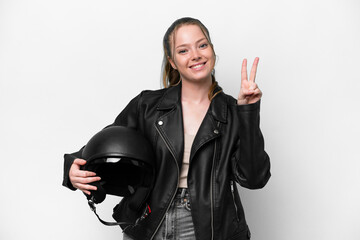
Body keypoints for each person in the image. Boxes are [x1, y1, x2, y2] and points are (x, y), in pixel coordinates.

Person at [62, 17, 271, 240]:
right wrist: (73, 168)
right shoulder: (147, 106)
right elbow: (107, 142)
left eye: (202, 45)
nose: (196, 55)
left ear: (211, 50)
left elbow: (254, 178)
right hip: (149, 219)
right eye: (183, 50)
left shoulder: (232, 111)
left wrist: (248, 112)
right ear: (172, 62)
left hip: (207, 226)